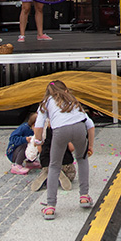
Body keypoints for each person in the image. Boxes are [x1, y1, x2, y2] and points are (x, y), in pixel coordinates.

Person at [32, 80, 95, 219]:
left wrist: (38, 141)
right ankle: (84, 196)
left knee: (54, 166)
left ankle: (50, 206)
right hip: (79, 127)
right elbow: (90, 124)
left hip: (60, 130)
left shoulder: (46, 102)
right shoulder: (73, 101)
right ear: (66, 91)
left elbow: (38, 125)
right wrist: (90, 145)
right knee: (82, 159)